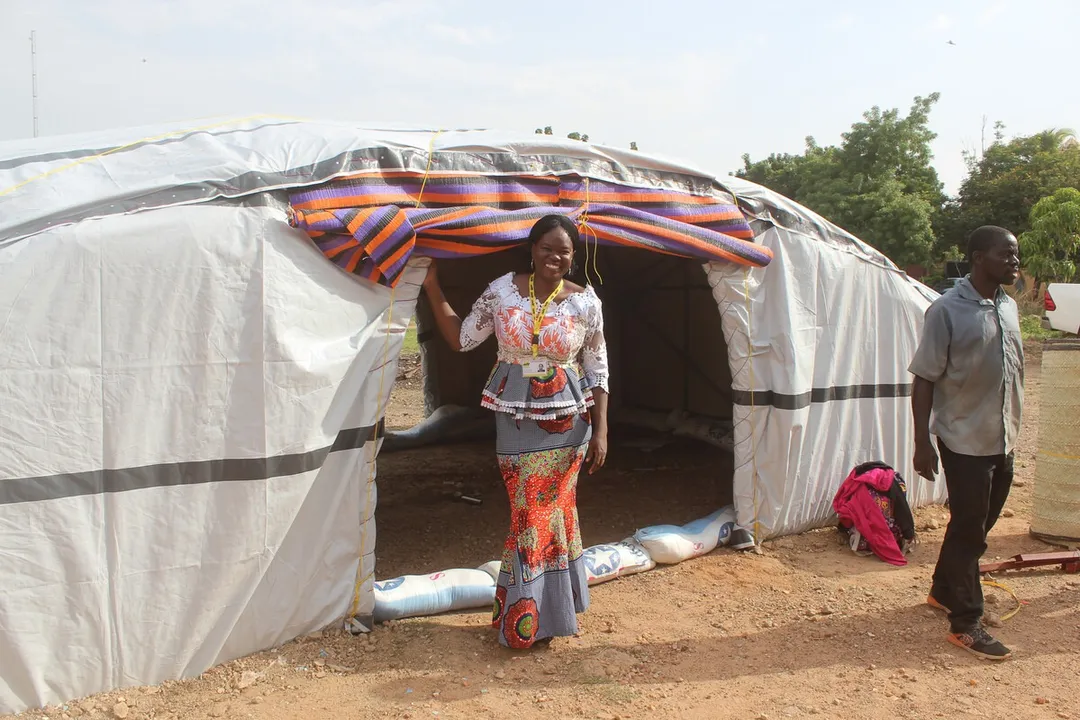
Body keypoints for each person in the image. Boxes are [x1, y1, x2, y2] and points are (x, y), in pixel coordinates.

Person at [421, 214, 609, 649]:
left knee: (555, 512)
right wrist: (432, 286)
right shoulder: (503, 291)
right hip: (516, 418)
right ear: (532, 248)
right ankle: (542, 610)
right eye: (547, 248)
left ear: (573, 256)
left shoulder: (585, 303)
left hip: (569, 423)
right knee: (530, 514)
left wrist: (601, 429)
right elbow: (463, 338)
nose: (554, 257)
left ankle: (538, 617)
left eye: (563, 251)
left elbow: (598, 366)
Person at [909, 225, 1024, 661]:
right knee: (970, 530)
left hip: (1003, 437)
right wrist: (922, 442)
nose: (1014, 262)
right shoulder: (946, 310)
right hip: (963, 440)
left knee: (978, 525)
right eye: (1005, 255)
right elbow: (923, 379)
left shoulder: (1008, 306)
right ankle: (965, 623)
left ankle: (943, 591)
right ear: (978, 257)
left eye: (1015, 255)